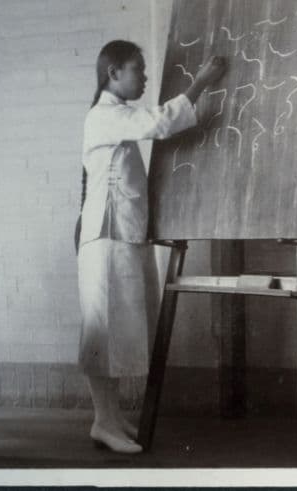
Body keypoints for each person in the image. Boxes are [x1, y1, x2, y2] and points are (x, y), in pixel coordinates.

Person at [77, 40, 226, 453]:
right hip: (106, 238)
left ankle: (109, 418)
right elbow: (158, 123)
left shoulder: (114, 115)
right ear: (113, 74)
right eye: (137, 70)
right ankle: (103, 421)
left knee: (118, 329)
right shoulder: (104, 116)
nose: (143, 78)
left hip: (120, 236)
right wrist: (200, 84)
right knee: (105, 331)